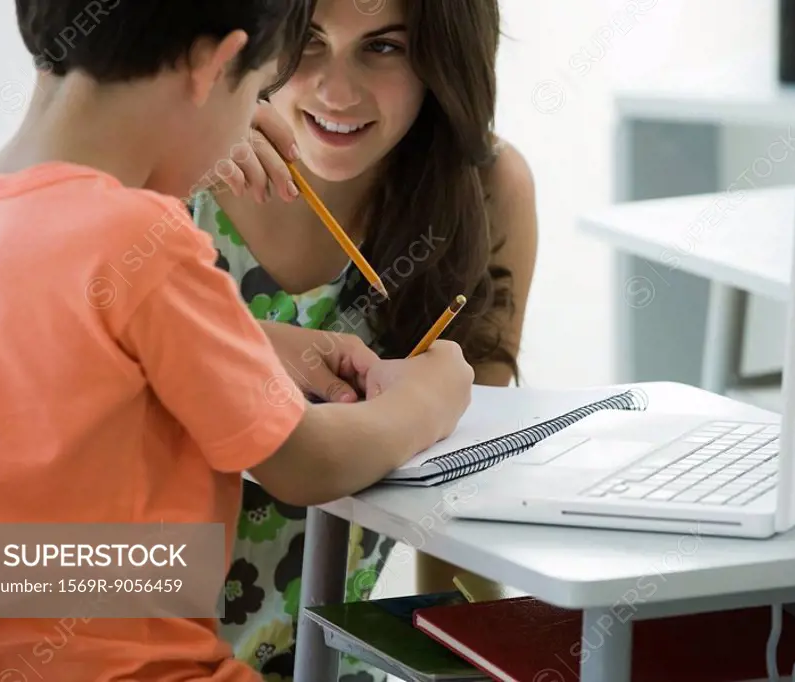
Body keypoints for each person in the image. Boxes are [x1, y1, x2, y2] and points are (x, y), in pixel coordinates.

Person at [0, 1, 475, 680]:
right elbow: (307, 465)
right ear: (214, 65)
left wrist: (241, 338)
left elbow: (15, 532)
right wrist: (433, 394)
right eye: (255, 94)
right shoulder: (145, 239)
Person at [186, 0, 539, 679]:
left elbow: (452, 508)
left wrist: (495, 659)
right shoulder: (163, 164)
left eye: (384, 48)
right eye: (307, 41)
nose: (337, 92)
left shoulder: (488, 194)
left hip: (328, 662)